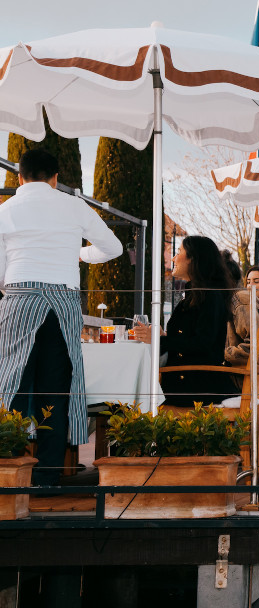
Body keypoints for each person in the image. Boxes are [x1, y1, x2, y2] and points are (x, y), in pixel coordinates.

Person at [0, 149, 122, 486]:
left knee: (11, 384)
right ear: (56, 178)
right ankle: (48, 474)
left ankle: (8, 469)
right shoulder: (73, 205)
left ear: (19, 177)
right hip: (63, 301)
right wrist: (79, 254)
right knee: (55, 388)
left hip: (19, 298)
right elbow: (114, 248)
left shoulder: (5, 210)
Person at [132, 236, 237, 407]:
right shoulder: (196, 295)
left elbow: (203, 344)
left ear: (193, 259)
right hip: (188, 380)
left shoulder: (209, 296)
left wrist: (159, 340)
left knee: (127, 398)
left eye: (179, 252)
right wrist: (162, 336)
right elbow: (190, 339)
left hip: (195, 386)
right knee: (131, 391)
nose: (173, 258)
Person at [222, 253, 259, 372]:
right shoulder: (244, 302)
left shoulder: (242, 301)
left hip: (254, 376)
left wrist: (221, 354)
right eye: (248, 282)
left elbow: (258, 346)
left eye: (256, 281)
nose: (250, 286)